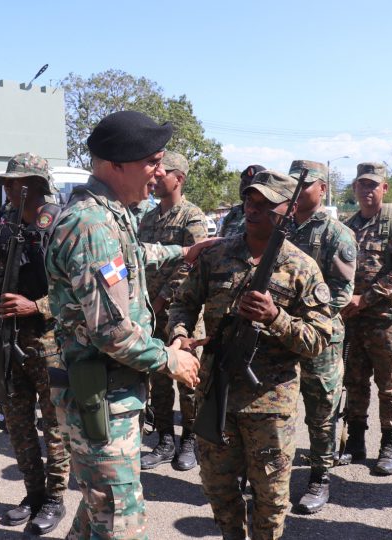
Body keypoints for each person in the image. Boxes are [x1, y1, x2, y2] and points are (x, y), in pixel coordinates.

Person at [45, 110, 202, 539]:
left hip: (110, 394)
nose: (159, 172)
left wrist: (181, 253)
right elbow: (112, 332)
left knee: (102, 509)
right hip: (101, 396)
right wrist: (170, 359)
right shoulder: (92, 224)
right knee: (120, 520)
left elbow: (127, 262)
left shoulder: (109, 214)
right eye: (152, 161)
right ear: (116, 164)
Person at [169, 169, 332, 539]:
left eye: (264, 205)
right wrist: (181, 336)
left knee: (271, 500)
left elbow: (319, 339)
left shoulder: (302, 267)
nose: (252, 210)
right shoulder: (217, 255)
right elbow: (183, 303)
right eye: (249, 201)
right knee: (219, 491)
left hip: (269, 406)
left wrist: (276, 318)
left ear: (286, 213)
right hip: (216, 392)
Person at [0, 153, 70, 535]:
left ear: (33, 184)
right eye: (5, 183)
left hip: (52, 340)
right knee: (17, 423)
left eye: (12, 183)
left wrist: (37, 305)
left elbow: (80, 292)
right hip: (11, 339)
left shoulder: (62, 224)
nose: (6, 189)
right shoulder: (7, 222)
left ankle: (55, 498)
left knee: (55, 424)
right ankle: (33, 493)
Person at [285, 160, 356, 513]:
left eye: (306, 184)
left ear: (323, 189)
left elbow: (341, 292)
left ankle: (320, 476)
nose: (298, 190)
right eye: (294, 184)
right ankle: (274, 475)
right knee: (278, 409)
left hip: (320, 340)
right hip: (281, 335)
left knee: (321, 410)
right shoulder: (280, 228)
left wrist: (305, 322)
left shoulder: (336, 234)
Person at [341, 162, 392, 475]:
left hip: (385, 320)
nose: (367, 190)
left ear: (384, 189)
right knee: (354, 382)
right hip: (353, 321)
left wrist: (364, 299)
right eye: (362, 184)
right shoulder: (347, 226)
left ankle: (389, 445)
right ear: (355, 188)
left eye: (373, 185)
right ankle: (356, 442)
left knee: (389, 385)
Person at [137, 151, 209, 472]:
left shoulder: (192, 217)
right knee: (159, 377)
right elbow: (137, 262)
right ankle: (165, 440)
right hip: (150, 313)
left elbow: (192, 265)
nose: (156, 176)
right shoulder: (148, 219)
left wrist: (163, 298)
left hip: (182, 314)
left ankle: (190, 440)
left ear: (178, 179)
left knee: (188, 380)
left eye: (163, 172)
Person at [218, 164, 265, 237]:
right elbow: (220, 240)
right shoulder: (234, 213)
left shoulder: (265, 215)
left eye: (250, 184)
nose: (244, 187)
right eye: (243, 182)